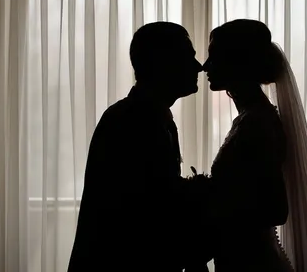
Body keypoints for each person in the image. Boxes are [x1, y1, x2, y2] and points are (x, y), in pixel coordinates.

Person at [67, 22, 211, 272]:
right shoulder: (128, 120)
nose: (198, 67)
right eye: (189, 57)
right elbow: (144, 215)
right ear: (163, 63)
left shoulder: (150, 116)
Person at [203, 19, 307, 272]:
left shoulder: (258, 123)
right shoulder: (250, 118)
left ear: (238, 62)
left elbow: (276, 209)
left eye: (215, 57)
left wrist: (211, 210)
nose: (205, 66)